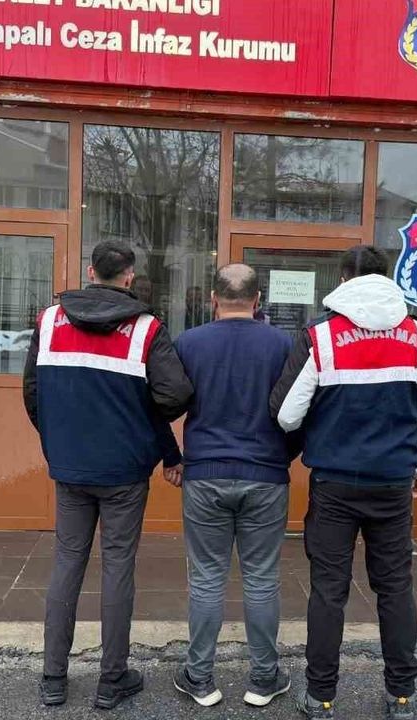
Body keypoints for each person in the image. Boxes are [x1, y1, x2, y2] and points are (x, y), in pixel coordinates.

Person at [270, 245, 417, 720]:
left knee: (329, 590)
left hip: (334, 485)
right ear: (387, 278)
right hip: (393, 484)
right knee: (395, 587)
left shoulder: (320, 337)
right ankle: (401, 694)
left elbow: (286, 414)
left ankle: (320, 696)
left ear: (343, 279)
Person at [23, 241, 193, 711]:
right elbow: (176, 394)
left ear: (90, 271)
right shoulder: (146, 328)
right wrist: (141, 427)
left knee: (67, 563)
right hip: (124, 470)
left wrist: (60, 439)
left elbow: (32, 392)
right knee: (118, 566)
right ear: (129, 277)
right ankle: (111, 679)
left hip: (70, 467)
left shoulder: (50, 321)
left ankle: (53, 678)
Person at [168, 264, 299, 709]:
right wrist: (282, 456)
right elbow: (300, 410)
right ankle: (263, 679)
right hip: (265, 474)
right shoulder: (283, 345)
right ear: (258, 300)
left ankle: (199, 678)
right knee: (261, 578)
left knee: (207, 578)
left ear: (213, 298)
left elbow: (160, 403)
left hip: (205, 473)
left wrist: (172, 456)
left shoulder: (189, 343)